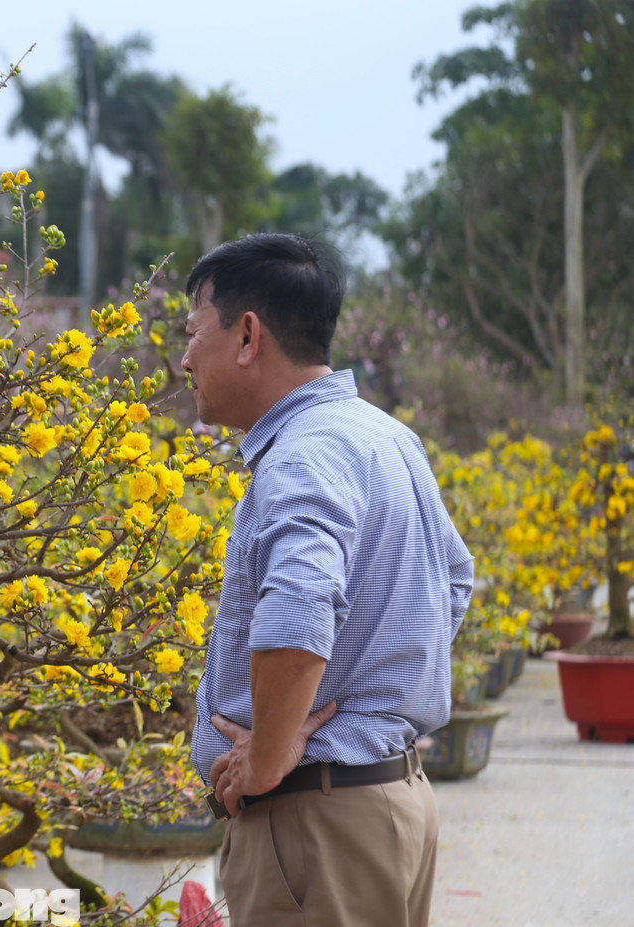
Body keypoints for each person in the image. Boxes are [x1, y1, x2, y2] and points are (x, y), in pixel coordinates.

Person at [181, 233, 472, 926]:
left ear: (247, 336)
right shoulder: (385, 437)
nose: (186, 356)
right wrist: (368, 692)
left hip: (317, 827)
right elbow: (454, 580)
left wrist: (269, 756)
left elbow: (301, 605)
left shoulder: (302, 456)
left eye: (194, 331)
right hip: (386, 806)